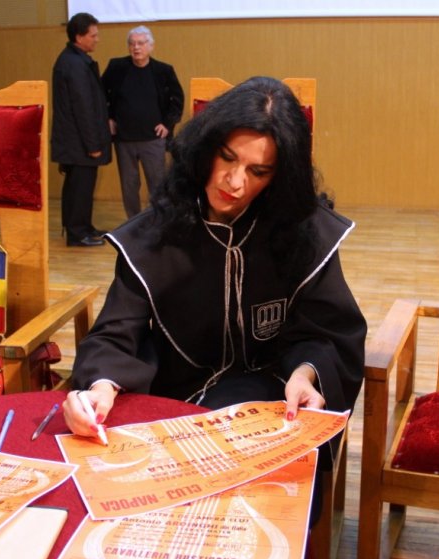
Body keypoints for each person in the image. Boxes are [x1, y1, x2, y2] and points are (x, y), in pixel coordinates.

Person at [64, 76, 366, 455]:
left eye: (258, 172)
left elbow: (330, 334)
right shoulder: (153, 236)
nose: (234, 182)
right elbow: (115, 334)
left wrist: (306, 374)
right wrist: (100, 388)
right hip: (176, 401)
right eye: (227, 157)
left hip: (276, 401)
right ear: (204, 148)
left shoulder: (306, 231)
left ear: (279, 176)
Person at [101, 26, 184, 218]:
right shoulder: (116, 67)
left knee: (157, 184)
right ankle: (133, 221)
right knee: (129, 185)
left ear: (151, 46)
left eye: (140, 43)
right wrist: (108, 117)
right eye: (132, 44)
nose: (136, 47)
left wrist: (167, 124)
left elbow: (177, 100)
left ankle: (158, 220)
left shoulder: (163, 71)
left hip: (152, 139)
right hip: (124, 138)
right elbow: (100, 93)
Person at [51, 12, 111, 247]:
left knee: (80, 187)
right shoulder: (74, 64)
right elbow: (83, 108)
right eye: (93, 35)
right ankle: (77, 234)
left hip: (76, 141)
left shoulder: (74, 60)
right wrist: (93, 145)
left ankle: (83, 227)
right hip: (78, 142)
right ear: (79, 37)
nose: (97, 39)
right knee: (79, 188)